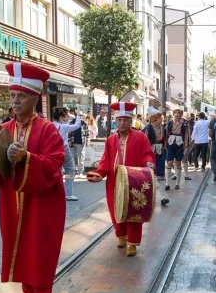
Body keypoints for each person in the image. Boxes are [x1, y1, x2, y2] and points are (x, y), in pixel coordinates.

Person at [0, 63, 66, 293]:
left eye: (21, 96)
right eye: (12, 96)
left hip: (43, 205)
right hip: (12, 205)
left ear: (35, 98)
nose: (15, 102)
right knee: (20, 253)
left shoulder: (48, 130)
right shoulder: (2, 129)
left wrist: (25, 158)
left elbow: (54, 164)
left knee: (40, 255)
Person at [87, 102, 156, 256]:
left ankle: (132, 242)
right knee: (116, 209)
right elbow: (105, 161)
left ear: (131, 121)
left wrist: (149, 162)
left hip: (135, 181)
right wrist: (99, 174)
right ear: (116, 121)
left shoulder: (141, 137)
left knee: (134, 210)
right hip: (114, 181)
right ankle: (121, 236)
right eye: (120, 120)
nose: (123, 122)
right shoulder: (110, 140)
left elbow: (147, 154)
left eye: (126, 119)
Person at [51, 107, 82, 202]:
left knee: (57, 170)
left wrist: (68, 116)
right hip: (63, 148)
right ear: (61, 117)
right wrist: (78, 115)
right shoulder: (63, 127)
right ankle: (68, 193)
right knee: (70, 170)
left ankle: (55, 192)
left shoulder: (51, 125)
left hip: (53, 149)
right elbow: (77, 125)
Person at [143, 107, 170, 206]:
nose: (161, 120)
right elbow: (144, 142)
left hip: (160, 153)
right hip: (149, 154)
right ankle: (148, 197)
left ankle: (163, 197)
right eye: (159, 118)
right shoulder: (147, 129)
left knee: (160, 174)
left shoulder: (163, 128)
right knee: (149, 175)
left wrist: (164, 147)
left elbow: (165, 139)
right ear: (154, 118)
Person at [166, 107, 191, 190]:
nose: (177, 114)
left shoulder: (185, 124)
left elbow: (187, 135)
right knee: (169, 162)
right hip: (170, 144)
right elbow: (165, 134)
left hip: (180, 144)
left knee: (178, 162)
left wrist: (186, 145)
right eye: (176, 113)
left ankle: (177, 184)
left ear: (181, 114)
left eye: (179, 113)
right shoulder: (169, 123)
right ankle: (167, 183)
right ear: (173, 114)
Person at [69, 111, 87, 176]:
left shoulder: (84, 123)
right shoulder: (71, 122)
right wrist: (69, 141)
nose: (80, 117)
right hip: (72, 142)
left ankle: (80, 172)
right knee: (72, 157)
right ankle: (74, 170)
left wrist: (87, 141)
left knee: (81, 158)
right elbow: (69, 133)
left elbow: (87, 134)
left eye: (81, 115)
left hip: (81, 143)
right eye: (79, 115)